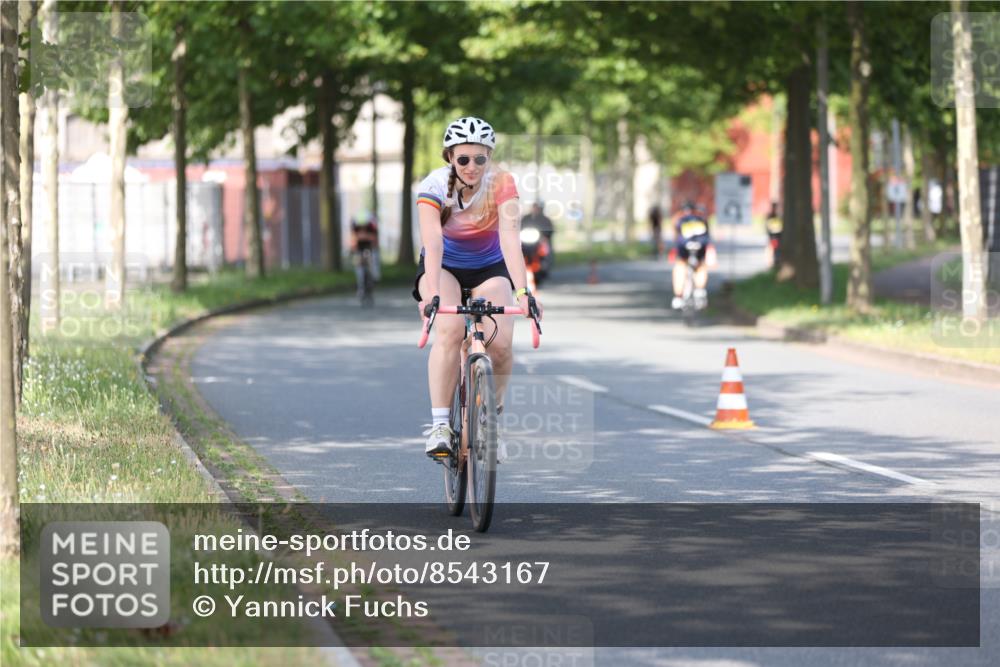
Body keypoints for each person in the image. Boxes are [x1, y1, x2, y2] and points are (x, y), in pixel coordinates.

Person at [413, 116, 543, 462]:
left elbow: (510, 239)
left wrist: (523, 293)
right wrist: (433, 294)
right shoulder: (434, 186)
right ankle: (441, 425)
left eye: (480, 158)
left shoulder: (502, 183)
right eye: (463, 159)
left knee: (500, 345)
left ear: (490, 156)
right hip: (444, 266)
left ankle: (490, 421)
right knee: (451, 329)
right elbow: (433, 242)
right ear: (450, 157)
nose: (472, 166)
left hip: (489, 266)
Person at [671, 200, 710, 310]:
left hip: (684, 247)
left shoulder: (679, 219)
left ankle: (678, 296)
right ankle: (700, 290)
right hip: (700, 246)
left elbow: (676, 235)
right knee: (701, 266)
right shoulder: (701, 218)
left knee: (680, 265)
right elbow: (707, 235)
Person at [349, 210, 381, 293]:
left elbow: (375, 240)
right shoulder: (355, 226)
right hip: (359, 248)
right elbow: (353, 241)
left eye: (364, 225)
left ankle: (374, 275)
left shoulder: (371, 226)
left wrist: (365, 237)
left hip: (370, 247)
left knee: (374, 258)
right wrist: (354, 249)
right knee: (358, 264)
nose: (362, 227)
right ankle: (360, 286)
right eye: (360, 226)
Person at [764, 201, 782, 267]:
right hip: (773, 236)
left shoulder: (778, 216)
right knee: (773, 250)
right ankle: (772, 263)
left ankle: (776, 261)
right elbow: (768, 227)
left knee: (776, 250)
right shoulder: (770, 216)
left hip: (777, 236)